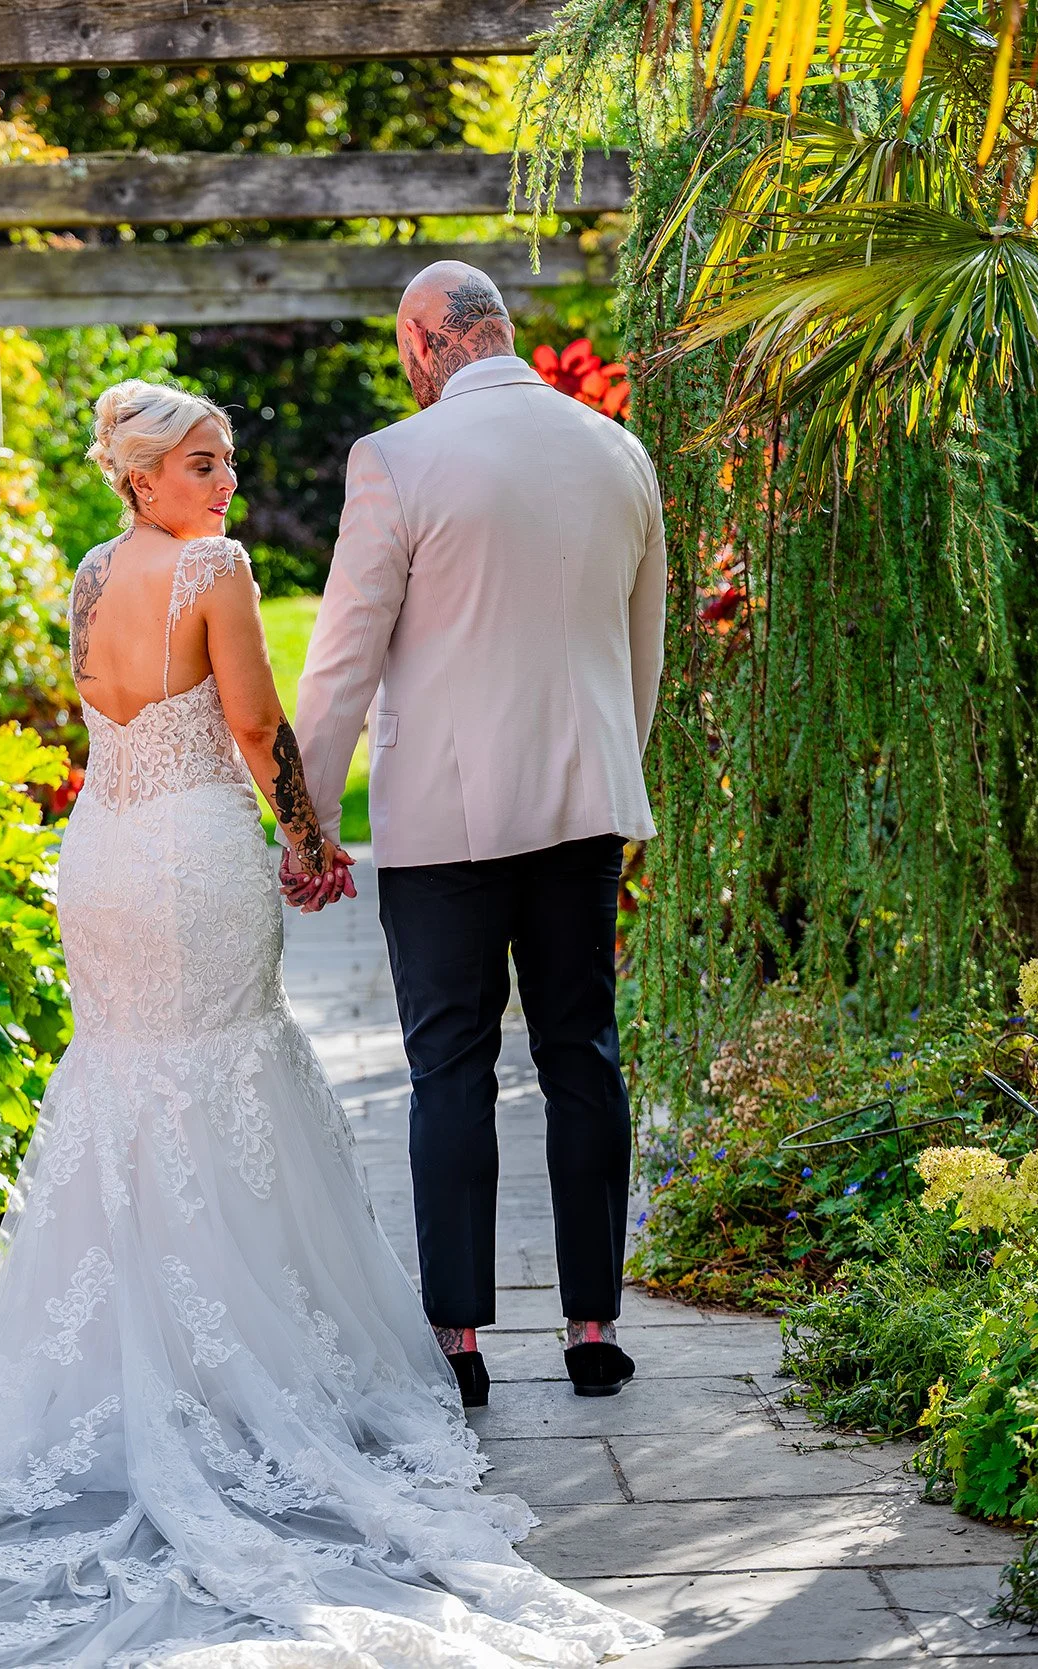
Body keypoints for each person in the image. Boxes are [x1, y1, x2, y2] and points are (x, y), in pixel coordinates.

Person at [0, 381, 659, 1667]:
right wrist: (307, 834)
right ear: (140, 476)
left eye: (226, 459)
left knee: (133, 1081)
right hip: (185, 858)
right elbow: (249, 724)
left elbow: (109, 715)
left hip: (102, 855)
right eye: (197, 462)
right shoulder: (213, 571)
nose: (223, 481)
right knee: (224, 1075)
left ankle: (131, 1354)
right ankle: (233, 1364)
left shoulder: (85, 576)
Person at [293, 262, 669, 1410]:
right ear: (498, 330)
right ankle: (592, 1325)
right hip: (584, 806)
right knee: (581, 1054)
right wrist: (616, 769)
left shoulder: (395, 459)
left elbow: (344, 655)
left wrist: (306, 822)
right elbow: (641, 645)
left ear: (424, 340)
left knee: (448, 1067)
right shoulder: (618, 452)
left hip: (449, 823)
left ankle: (457, 1339)